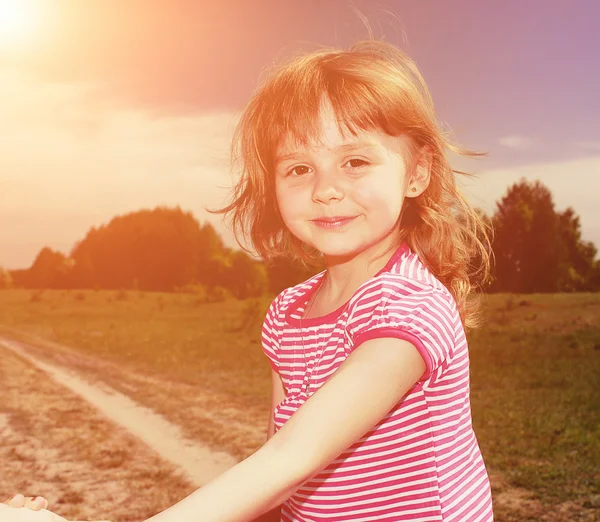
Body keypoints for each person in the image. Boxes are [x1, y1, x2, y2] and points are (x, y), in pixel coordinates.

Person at [6, 39, 494, 521]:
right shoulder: (287, 313)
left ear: (418, 172)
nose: (325, 189)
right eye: (299, 168)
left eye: (355, 161)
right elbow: (278, 475)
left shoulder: (410, 304)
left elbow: (290, 460)